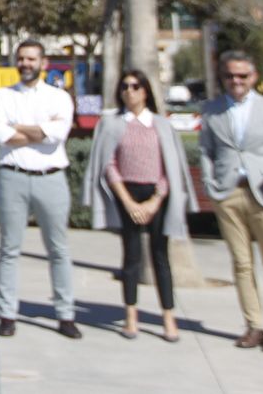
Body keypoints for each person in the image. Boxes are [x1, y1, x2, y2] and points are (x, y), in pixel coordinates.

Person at [82, 68, 197, 341]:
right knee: (131, 257)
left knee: (160, 257)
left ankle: (169, 317)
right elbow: (108, 164)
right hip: (126, 193)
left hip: (157, 194)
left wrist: (156, 199)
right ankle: (130, 317)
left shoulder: (161, 124)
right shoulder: (112, 124)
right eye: (125, 86)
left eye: (135, 86)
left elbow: (171, 166)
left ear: (146, 90)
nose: (129, 91)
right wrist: (128, 201)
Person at [0, 40, 80, 339]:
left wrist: (20, 128)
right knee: (9, 249)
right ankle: (7, 314)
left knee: (58, 249)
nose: (26, 63)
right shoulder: (1, 96)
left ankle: (65, 315)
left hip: (51, 178)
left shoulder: (59, 98)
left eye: (32, 59)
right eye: (22, 58)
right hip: (12, 177)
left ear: (43, 63)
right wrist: (41, 130)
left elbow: (56, 136)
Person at [199, 49, 263, 352]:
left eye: (242, 75)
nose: (236, 80)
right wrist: (210, 185)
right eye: (230, 75)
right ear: (222, 78)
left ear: (254, 77)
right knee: (242, 264)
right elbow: (206, 150)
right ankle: (254, 327)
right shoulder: (211, 110)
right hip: (228, 193)